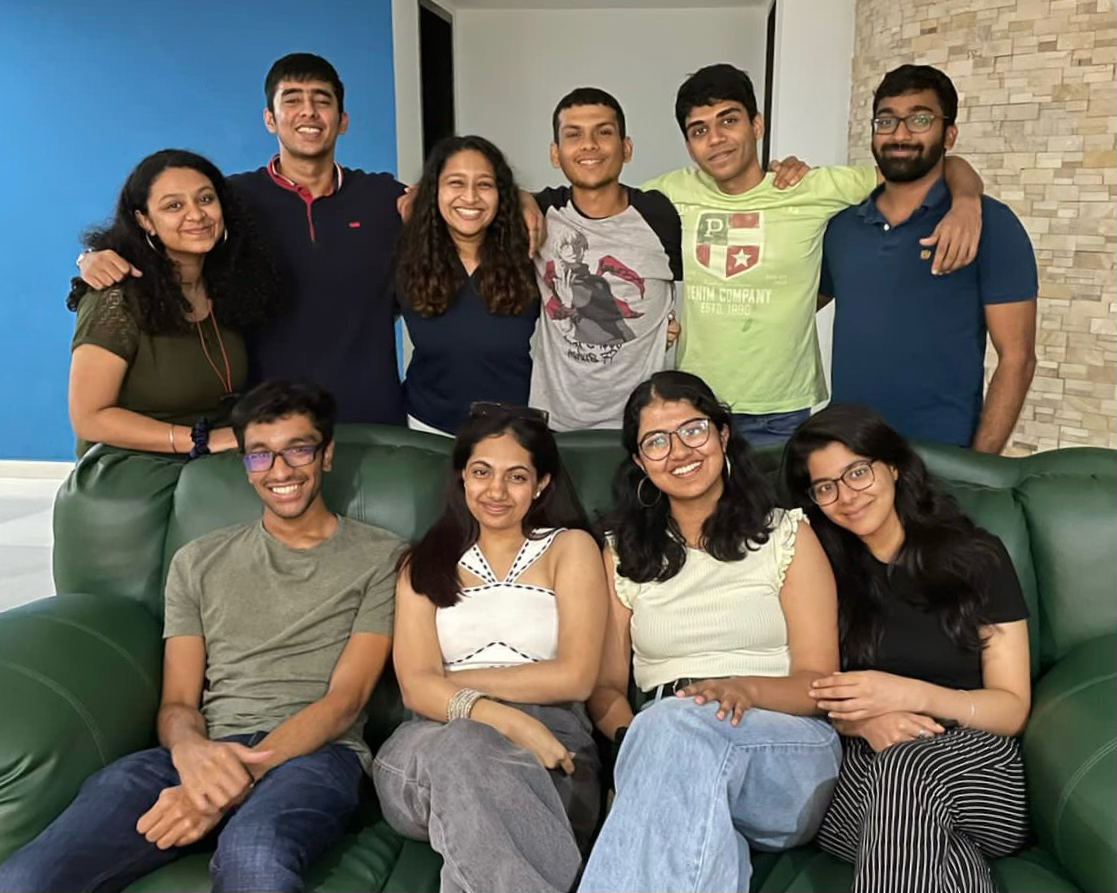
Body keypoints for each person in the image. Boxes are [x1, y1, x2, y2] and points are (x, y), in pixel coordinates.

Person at [0, 380, 401, 892]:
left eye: (298, 450)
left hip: (313, 756)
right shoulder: (197, 561)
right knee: (27, 876)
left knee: (253, 859)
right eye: (260, 455)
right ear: (245, 465)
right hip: (199, 751)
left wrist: (222, 788)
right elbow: (178, 704)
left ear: (325, 456)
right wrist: (191, 755)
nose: (279, 471)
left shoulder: (383, 557)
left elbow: (345, 702)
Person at [578, 370, 841, 893]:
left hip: (784, 746)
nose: (679, 452)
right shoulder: (620, 554)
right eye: (656, 441)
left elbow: (818, 682)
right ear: (639, 463)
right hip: (665, 738)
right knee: (679, 756)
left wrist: (740, 692)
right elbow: (605, 689)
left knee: (677, 730)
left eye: (693, 430)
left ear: (722, 434)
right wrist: (646, 746)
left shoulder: (787, 535)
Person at [641, 63, 985, 447]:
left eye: (728, 121)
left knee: (777, 509)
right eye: (699, 130)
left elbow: (924, 167)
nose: (716, 139)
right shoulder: (670, 192)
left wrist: (967, 200)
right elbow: (605, 219)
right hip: (696, 403)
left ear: (757, 125)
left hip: (780, 410)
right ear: (689, 145)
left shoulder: (810, 187)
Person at [782, 403, 1031, 893]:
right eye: (826, 487)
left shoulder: (976, 558)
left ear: (892, 466)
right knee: (927, 846)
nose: (847, 496)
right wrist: (861, 719)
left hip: (975, 765)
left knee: (909, 769)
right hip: (860, 768)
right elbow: (811, 687)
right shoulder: (817, 570)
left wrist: (908, 694)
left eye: (858, 472)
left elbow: (1012, 708)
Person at [373, 403, 607, 893]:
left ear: (541, 483)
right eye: (481, 472)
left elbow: (576, 677)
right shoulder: (421, 563)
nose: (496, 491)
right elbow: (416, 692)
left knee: (471, 784)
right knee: (462, 745)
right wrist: (505, 717)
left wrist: (450, 685)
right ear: (462, 476)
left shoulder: (571, 548)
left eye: (516, 476)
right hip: (426, 749)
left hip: (553, 747)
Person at [819, 65, 1037, 452]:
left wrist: (979, 467)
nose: (900, 134)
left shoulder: (990, 225)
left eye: (920, 119)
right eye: (886, 121)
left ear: (948, 134)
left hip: (942, 457)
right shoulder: (841, 227)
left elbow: (1017, 359)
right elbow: (789, 306)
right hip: (849, 453)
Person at [67, 149, 279, 458]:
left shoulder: (227, 289)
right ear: (145, 220)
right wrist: (200, 440)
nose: (196, 215)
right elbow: (89, 418)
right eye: (174, 205)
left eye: (205, 199)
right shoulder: (117, 297)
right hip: (132, 461)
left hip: (211, 456)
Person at [530, 87, 683, 431]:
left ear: (626, 148)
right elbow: (480, 197)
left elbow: (707, 283)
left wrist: (674, 328)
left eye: (603, 132)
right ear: (555, 154)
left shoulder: (660, 215)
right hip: (554, 424)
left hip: (646, 425)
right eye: (574, 135)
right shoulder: (541, 212)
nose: (589, 145)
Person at [396, 137, 540, 435]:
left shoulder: (532, 253)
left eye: (484, 184)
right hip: (427, 430)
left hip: (514, 433)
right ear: (434, 190)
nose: (471, 197)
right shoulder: (404, 255)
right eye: (456, 183)